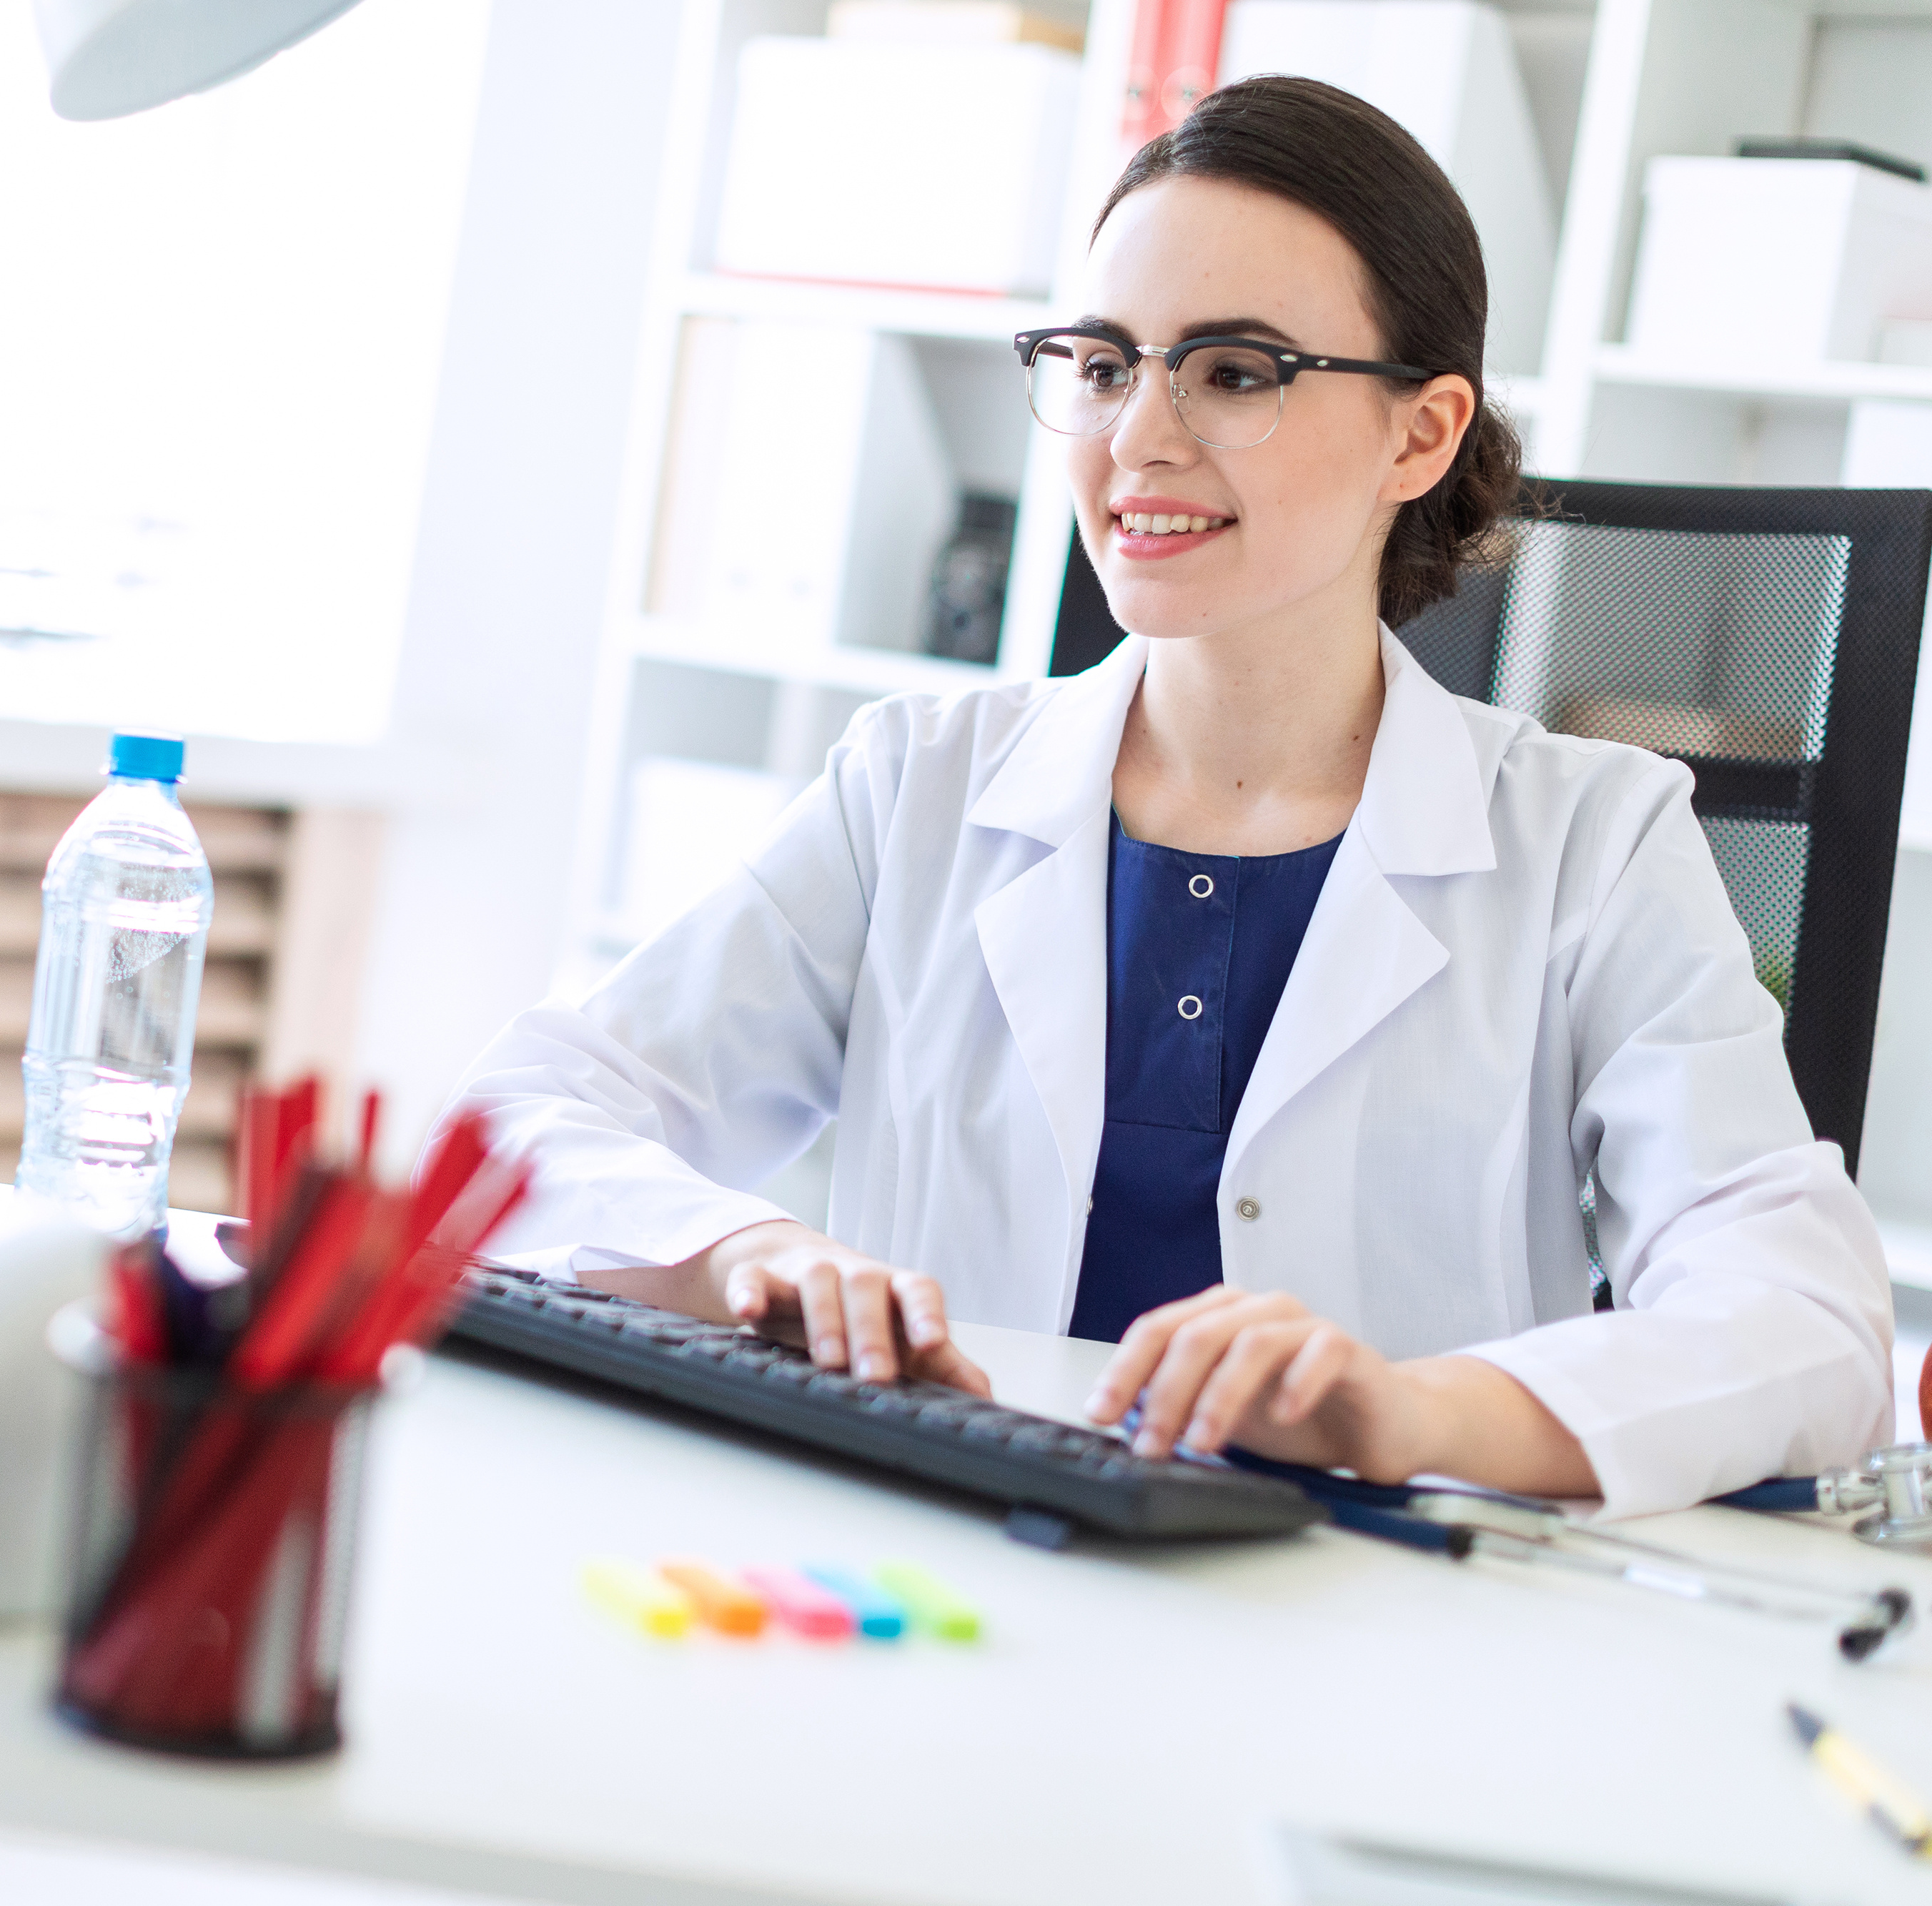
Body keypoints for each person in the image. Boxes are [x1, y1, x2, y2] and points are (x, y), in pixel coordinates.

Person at [443, 76, 1892, 1518]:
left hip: (1372, 1638)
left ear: (1419, 433)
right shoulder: (916, 786)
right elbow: (518, 1118)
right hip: (937, 1576)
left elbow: (1807, 1322)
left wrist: (1408, 1407)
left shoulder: (1589, 840)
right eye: (1099, 360)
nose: (1136, 434)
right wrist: (740, 1251)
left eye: (1235, 369)